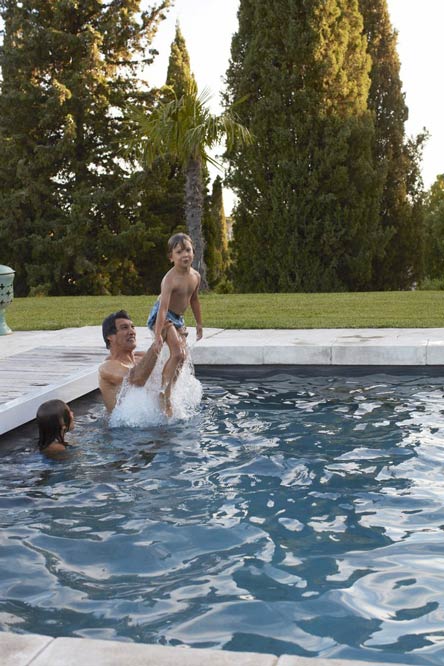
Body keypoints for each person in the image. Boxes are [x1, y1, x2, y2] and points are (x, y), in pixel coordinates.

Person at [147, 232, 203, 416]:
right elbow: (163, 308)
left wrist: (199, 324)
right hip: (162, 317)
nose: (185, 254)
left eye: (188, 250)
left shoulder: (195, 276)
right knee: (177, 352)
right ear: (171, 257)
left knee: (183, 357)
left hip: (178, 318)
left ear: (193, 252)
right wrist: (157, 336)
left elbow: (194, 300)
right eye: (179, 252)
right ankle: (164, 393)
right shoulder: (169, 279)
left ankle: (170, 388)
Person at [98, 310, 159, 412]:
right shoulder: (107, 367)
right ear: (110, 337)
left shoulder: (141, 357)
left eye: (132, 327)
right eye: (124, 328)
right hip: (122, 427)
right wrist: (158, 343)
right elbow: (136, 380)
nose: (132, 332)